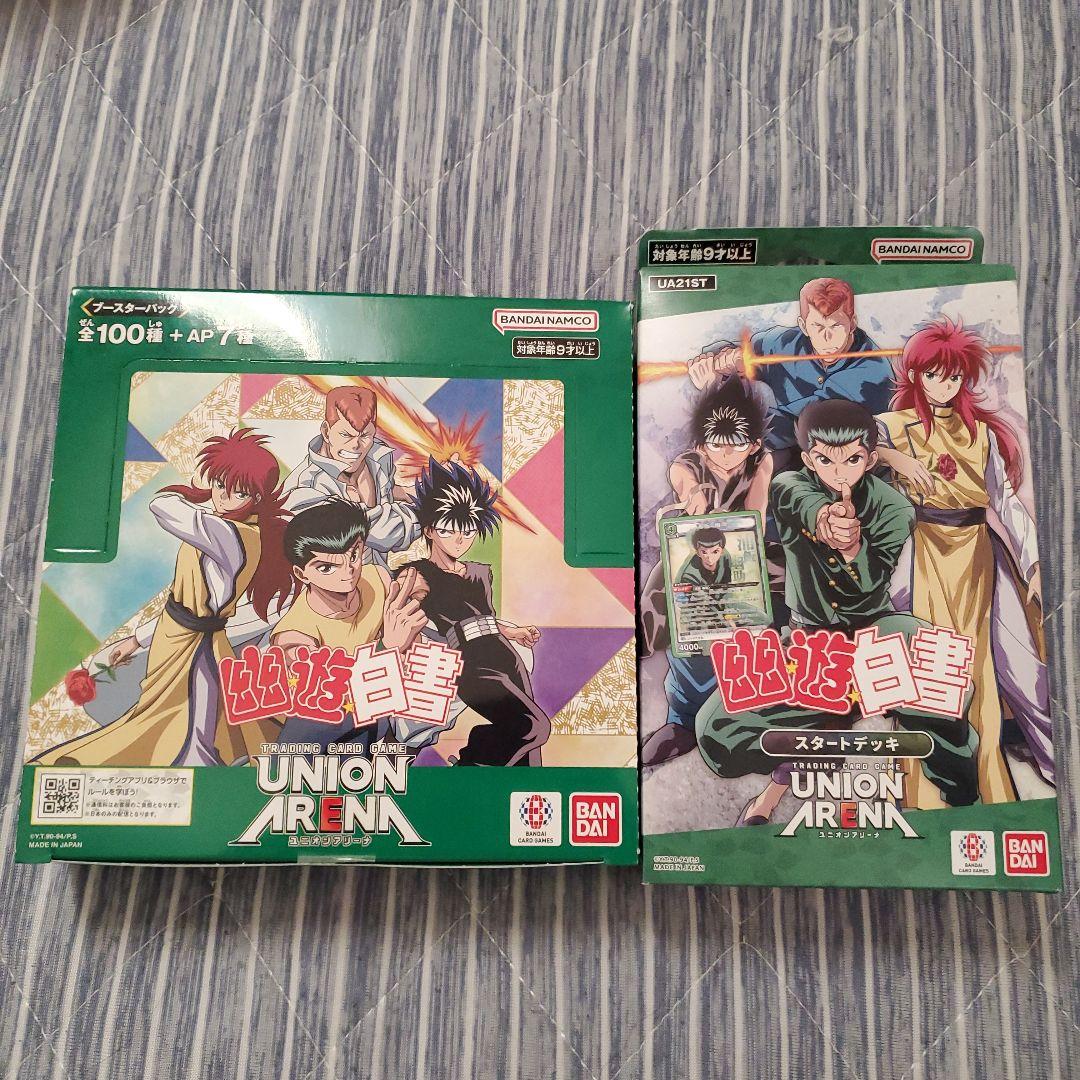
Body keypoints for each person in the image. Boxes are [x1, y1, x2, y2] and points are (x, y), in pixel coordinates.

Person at [695, 400, 979, 825]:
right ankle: (805, 759)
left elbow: (868, 582)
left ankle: (964, 805)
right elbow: (799, 499)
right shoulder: (789, 486)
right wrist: (825, 518)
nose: (839, 473)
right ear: (810, 459)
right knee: (716, 728)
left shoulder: (894, 508)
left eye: (852, 460)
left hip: (874, 634)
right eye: (826, 460)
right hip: (810, 643)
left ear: (870, 458)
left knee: (947, 687)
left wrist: (852, 548)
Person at [37, 429, 296, 767]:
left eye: (240, 492)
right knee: (165, 713)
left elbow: (161, 505)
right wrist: (137, 639)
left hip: (195, 644)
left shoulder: (231, 533)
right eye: (220, 484)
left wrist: (197, 491)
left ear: (258, 497)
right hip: (175, 634)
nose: (224, 497)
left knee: (184, 718)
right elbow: (182, 604)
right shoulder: (226, 527)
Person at [876, 318, 1052, 806]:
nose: (944, 385)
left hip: (975, 555)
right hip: (922, 552)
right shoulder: (893, 426)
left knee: (978, 674)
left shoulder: (981, 434)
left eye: (953, 376)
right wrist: (893, 458)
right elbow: (850, 447)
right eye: (933, 375)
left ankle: (990, 787)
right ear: (916, 375)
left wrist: (1034, 564)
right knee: (928, 672)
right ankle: (923, 794)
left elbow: (1006, 502)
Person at [639, 376, 776, 766]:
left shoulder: (760, 462)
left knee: (760, 625)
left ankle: (745, 718)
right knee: (682, 625)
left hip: (742, 554)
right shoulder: (691, 462)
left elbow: (756, 513)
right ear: (702, 443)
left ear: (754, 444)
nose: (726, 452)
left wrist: (742, 550)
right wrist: (694, 495)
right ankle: (682, 724)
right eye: (716, 444)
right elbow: (682, 478)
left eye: (737, 443)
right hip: (692, 558)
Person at [396, 458, 550, 766]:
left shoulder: (480, 572)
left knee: (528, 752)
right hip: (468, 663)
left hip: (505, 654)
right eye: (448, 529)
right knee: (533, 726)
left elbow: (483, 619)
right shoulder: (418, 574)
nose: (459, 539)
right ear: (429, 530)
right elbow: (395, 615)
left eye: (467, 531)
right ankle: (468, 763)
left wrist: (512, 632)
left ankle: (519, 785)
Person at [686, 278, 892, 473]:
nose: (827, 337)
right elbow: (735, 349)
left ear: (852, 323)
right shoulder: (785, 342)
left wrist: (714, 392)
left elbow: (791, 427)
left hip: (842, 465)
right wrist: (729, 360)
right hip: (784, 451)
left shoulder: (871, 373)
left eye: (836, 326)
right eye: (818, 326)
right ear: (803, 325)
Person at [271, 500, 429, 752]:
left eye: (353, 556)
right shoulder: (295, 636)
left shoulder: (376, 578)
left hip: (381, 715)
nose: (348, 572)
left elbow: (410, 642)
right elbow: (328, 702)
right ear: (302, 574)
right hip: (321, 735)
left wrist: (406, 642)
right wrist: (388, 647)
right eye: (326, 567)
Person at [282, 385, 419, 567]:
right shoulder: (305, 486)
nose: (356, 445)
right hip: (337, 580)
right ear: (326, 432)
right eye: (346, 435)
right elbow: (385, 532)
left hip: (380, 575)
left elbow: (387, 490)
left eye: (365, 435)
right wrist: (431, 507)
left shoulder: (378, 457)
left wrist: (420, 490)